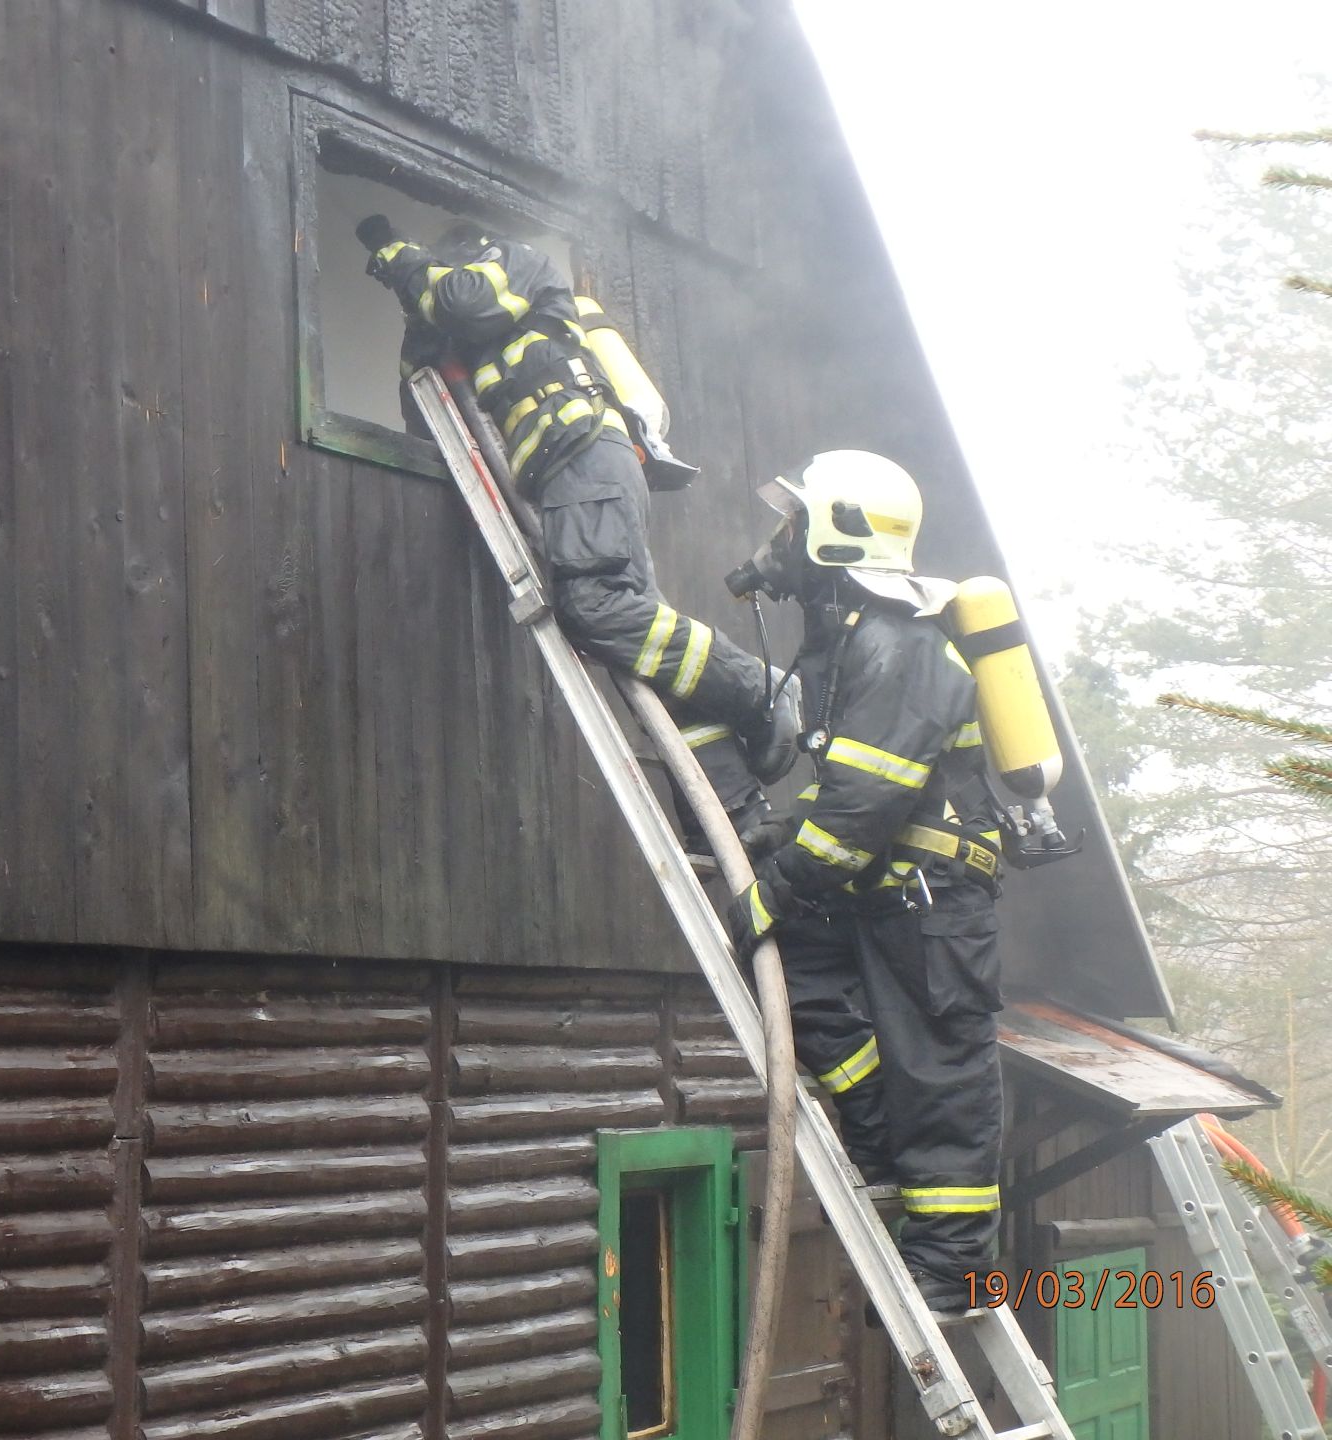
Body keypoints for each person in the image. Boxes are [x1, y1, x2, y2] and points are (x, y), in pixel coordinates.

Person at [356, 214, 797, 837]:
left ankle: (761, 689)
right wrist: (416, 321)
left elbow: (463, 298)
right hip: (571, 474)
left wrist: (403, 259)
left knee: (593, 607)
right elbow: (424, 412)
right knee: (643, 647)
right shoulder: (461, 327)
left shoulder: (513, 261)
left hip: (586, 453)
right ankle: (735, 812)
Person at [721, 450, 1005, 1313]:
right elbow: (831, 786)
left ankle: (957, 1269)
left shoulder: (903, 645)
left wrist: (776, 883)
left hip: (934, 905)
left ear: (837, 537)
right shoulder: (843, 647)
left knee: (940, 1073)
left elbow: (861, 807)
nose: (781, 541)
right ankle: (880, 1136)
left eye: (796, 524)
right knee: (793, 976)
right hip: (879, 894)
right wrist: (777, 842)